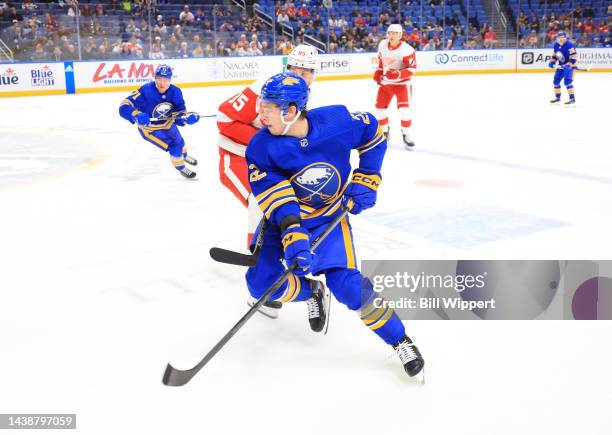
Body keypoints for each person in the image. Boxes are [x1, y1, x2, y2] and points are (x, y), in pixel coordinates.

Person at [245, 72, 425, 378]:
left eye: (268, 108)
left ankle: (400, 339)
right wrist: (293, 234)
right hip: (285, 221)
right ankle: (311, 291)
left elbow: (373, 135)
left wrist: (367, 178)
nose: (261, 114)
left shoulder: (337, 122)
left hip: (331, 216)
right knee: (261, 284)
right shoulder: (261, 147)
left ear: (291, 110)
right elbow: (278, 199)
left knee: (350, 288)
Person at [216, 44, 319, 317]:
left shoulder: (303, 93)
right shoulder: (267, 88)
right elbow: (225, 117)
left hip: (266, 162)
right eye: (296, 68)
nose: (302, 74)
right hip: (236, 158)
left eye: (307, 70)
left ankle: (275, 274)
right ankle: (263, 275)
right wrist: (266, 143)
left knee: (282, 208)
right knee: (260, 205)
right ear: (287, 68)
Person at [118, 64, 201, 178]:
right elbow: (123, 106)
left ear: (170, 80)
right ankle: (181, 168)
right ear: (155, 78)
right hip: (151, 129)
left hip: (168, 124)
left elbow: (179, 111)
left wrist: (186, 117)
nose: (162, 83)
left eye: (166, 79)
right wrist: (136, 115)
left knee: (181, 142)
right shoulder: (146, 91)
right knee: (174, 147)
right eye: (160, 79)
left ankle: (185, 156)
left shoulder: (175, 91)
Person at [373, 24, 417, 149]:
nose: (391, 35)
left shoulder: (407, 50)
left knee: (405, 111)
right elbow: (381, 61)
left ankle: (406, 133)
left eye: (395, 33)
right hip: (386, 82)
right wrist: (379, 71)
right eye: (390, 33)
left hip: (403, 84)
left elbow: (413, 68)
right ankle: (385, 131)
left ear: (400, 35)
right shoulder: (382, 45)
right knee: (380, 109)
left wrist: (398, 74)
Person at [548, 32, 578, 105]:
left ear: (565, 38)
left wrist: (569, 64)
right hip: (561, 65)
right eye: (559, 38)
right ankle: (557, 98)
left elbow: (574, 57)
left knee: (567, 82)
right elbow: (555, 55)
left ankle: (572, 98)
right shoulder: (556, 45)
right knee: (556, 81)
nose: (560, 39)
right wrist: (552, 62)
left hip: (570, 66)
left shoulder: (570, 45)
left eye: (562, 38)